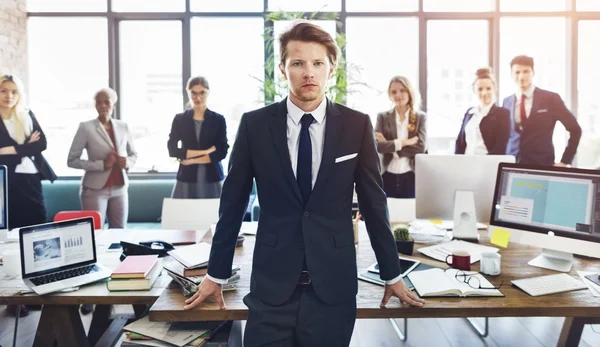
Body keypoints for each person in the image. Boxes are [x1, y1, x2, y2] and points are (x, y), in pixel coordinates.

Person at [182, 22, 424, 347]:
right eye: (298, 63)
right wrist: (216, 273)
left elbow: (373, 203)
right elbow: (233, 205)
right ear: (283, 68)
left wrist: (391, 273)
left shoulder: (356, 125)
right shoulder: (254, 126)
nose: (308, 72)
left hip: (333, 289)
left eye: (317, 63)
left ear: (331, 69)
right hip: (271, 288)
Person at [0, 74, 57, 317]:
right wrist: (25, 146)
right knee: (11, 237)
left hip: (32, 180)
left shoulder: (26, 113)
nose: (9, 96)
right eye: (4, 90)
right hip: (7, 182)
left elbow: (42, 144)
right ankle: (15, 298)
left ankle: (37, 291)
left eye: (13, 91)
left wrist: (13, 149)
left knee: (37, 234)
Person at [67, 87, 137, 229]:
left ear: (114, 104)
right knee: (94, 233)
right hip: (94, 190)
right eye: (99, 102)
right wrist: (102, 164)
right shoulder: (86, 128)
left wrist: (127, 162)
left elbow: (133, 154)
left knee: (119, 234)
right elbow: (72, 160)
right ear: (95, 105)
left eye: (107, 102)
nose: (103, 105)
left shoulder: (123, 126)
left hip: (120, 188)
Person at [502, 55, 581, 166]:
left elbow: (575, 130)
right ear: (511, 75)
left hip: (541, 165)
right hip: (513, 164)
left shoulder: (550, 99)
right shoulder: (507, 102)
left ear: (533, 72)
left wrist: (564, 161)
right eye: (517, 72)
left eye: (526, 71)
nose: (521, 76)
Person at [167, 76, 229, 199]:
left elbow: (221, 152)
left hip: (213, 177)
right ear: (188, 93)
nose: (198, 98)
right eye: (193, 93)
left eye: (202, 93)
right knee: (185, 215)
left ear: (208, 92)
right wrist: (206, 152)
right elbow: (172, 150)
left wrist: (191, 160)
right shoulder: (180, 119)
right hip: (186, 178)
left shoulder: (218, 119)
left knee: (214, 216)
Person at [375, 76, 427, 198]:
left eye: (402, 90)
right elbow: (377, 146)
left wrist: (391, 147)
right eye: (394, 92)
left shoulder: (420, 118)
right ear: (389, 95)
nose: (398, 94)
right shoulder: (382, 117)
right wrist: (405, 142)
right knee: (388, 214)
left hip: (411, 175)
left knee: (409, 214)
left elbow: (420, 147)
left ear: (409, 91)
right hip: (387, 174)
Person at [455, 67, 510, 155]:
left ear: (495, 89)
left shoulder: (503, 114)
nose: (484, 93)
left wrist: (484, 163)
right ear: (474, 90)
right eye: (480, 89)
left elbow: (501, 147)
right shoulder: (469, 113)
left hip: (487, 164)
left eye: (488, 88)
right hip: (465, 163)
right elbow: (459, 143)